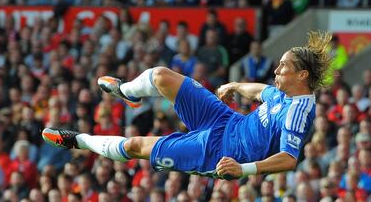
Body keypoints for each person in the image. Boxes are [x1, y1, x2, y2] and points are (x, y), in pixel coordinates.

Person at [42, 31, 332, 179]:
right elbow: (261, 92)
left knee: (134, 146)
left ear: (302, 75)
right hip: (225, 120)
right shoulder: (283, 93)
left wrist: (242, 170)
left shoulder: (299, 112)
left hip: (219, 153)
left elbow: (288, 159)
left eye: (283, 67)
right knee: (160, 76)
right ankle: (129, 91)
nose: (277, 70)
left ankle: (78, 141)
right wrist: (234, 86)